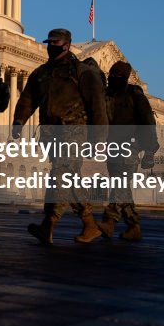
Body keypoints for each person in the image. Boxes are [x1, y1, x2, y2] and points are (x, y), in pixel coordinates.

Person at [14, 28, 108, 245]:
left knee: (60, 175)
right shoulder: (42, 73)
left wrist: (99, 139)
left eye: (55, 43)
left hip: (74, 132)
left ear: (66, 45)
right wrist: (19, 121)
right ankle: (90, 224)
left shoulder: (83, 72)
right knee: (69, 179)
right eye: (49, 43)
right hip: (51, 133)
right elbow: (28, 98)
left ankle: (48, 224)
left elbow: (97, 106)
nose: (50, 47)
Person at [97, 61, 158, 241]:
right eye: (111, 74)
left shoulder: (134, 94)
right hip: (112, 147)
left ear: (124, 77)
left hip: (130, 146)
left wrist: (149, 151)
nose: (111, 77)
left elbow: (148, 122)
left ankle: (109, 222)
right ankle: (133, 226)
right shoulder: (107, 95)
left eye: (116, 75)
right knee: (121, 187)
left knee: (120, 184)